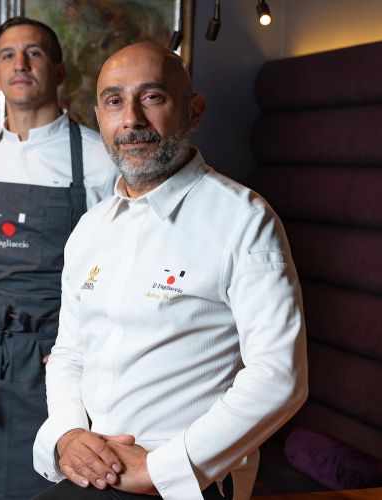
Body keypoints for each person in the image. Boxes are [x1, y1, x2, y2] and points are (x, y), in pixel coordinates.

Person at [32, 42, 308, 500]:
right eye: (114, 100)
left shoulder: (244, 219)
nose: (132, 119)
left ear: (193, 111)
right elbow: (70, 354)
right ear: (98, 115)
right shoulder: (90, 228)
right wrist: (66, 434)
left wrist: (165, 467)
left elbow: (280, 374)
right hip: (96, 474)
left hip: (188, 483)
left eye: (153, 97)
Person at [0, 17, 117, 500]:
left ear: (58, 71)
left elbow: (114, 271)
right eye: (7, 55)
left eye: (33, 53)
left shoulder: (101, 159)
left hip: (54, 360)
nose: (20, 63)